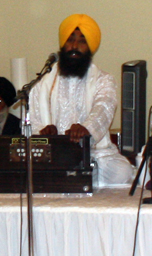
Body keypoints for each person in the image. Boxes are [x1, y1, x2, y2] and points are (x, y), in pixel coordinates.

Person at [29, 14, 134, 186]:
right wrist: (43, 133)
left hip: (96, 154)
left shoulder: (103, 80)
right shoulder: (42, 85)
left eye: (82, 41)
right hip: (54, 156)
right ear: (63, 44)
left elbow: (104, 107)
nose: (75, 46)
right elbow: (34, 121)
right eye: (70, 40)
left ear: (90, 48)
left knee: (122, 172)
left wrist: (86, 128)